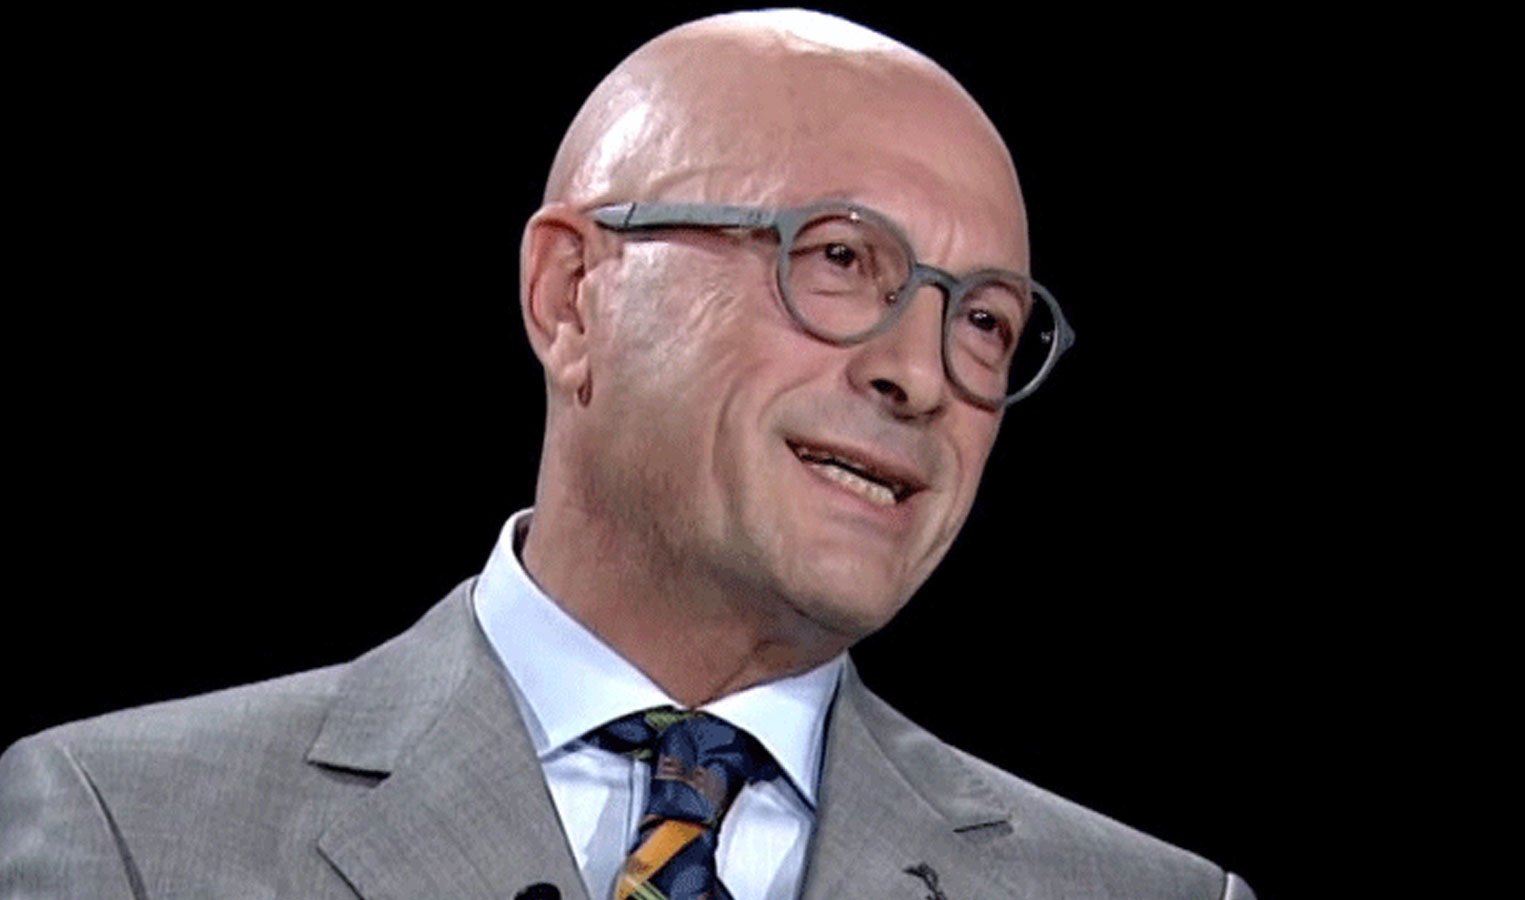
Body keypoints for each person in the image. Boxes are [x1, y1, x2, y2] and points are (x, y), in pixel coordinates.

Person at [1, 10, 1254, 900]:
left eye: (983, 321)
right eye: (836, 259)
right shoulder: (127, 832)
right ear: (572, 297)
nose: (919, 376)